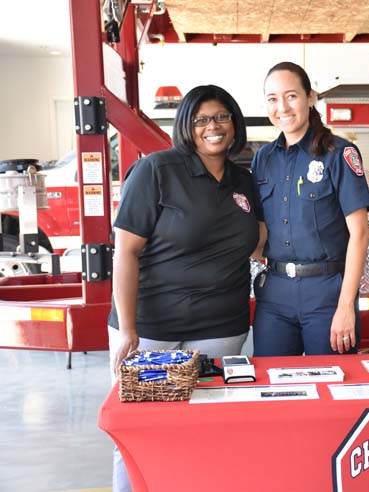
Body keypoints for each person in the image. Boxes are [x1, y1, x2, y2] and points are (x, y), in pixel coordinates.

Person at [107, 84, 262, 492]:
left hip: (220, 328)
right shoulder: (156, 171)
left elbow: (259, 240)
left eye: (222, 117)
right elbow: (125, 252)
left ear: (235, 123)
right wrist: (127, 329)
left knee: (205, 432)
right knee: (141, 432)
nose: (213, 127)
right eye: (201, 120)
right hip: (151, 328)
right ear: (186, 125)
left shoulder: (244, 181)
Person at [251, 61, 369, 356]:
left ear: (310, 97)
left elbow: (360, 234)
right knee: (270, 386)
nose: (282, 107)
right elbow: (259, 231)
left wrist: (346, 307)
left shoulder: (338, 153)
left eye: (291, 96)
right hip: (275, 294)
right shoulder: (262, 159)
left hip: (327, 293)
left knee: (334, 384)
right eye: (272, 99)